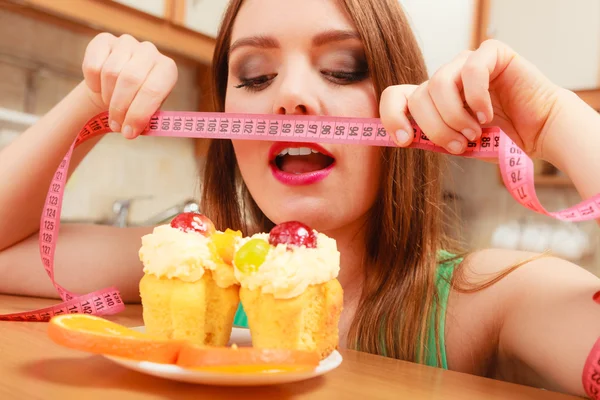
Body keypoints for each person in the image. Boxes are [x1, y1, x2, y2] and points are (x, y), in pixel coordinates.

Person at [1, 0, 600, 396]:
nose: (289, 98)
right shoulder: (204, 269)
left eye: (344, 69)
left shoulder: (492, 298)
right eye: (255, 77)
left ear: (403, 106)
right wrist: (92, 101)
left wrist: (557, 122)